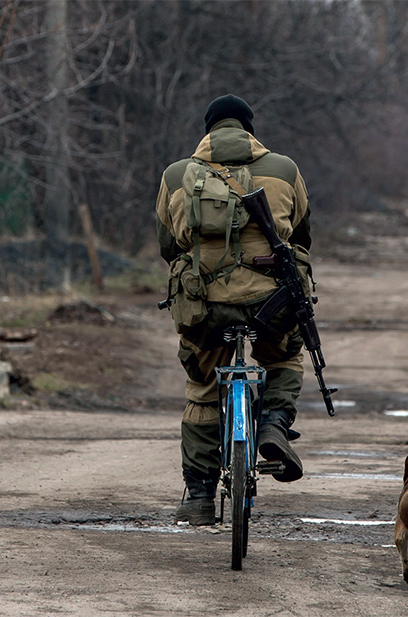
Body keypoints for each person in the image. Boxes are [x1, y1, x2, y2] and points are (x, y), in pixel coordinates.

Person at [155, 94, 313, 525]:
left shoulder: (176, 175)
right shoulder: (284, 170)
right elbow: (302, 235)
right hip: (272, 305)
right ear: (250, 128)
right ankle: (273, 426)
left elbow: (168, 247)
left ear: (207, 130)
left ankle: (200, 496)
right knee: (283, 358)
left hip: (206, 311)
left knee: (204, 389)